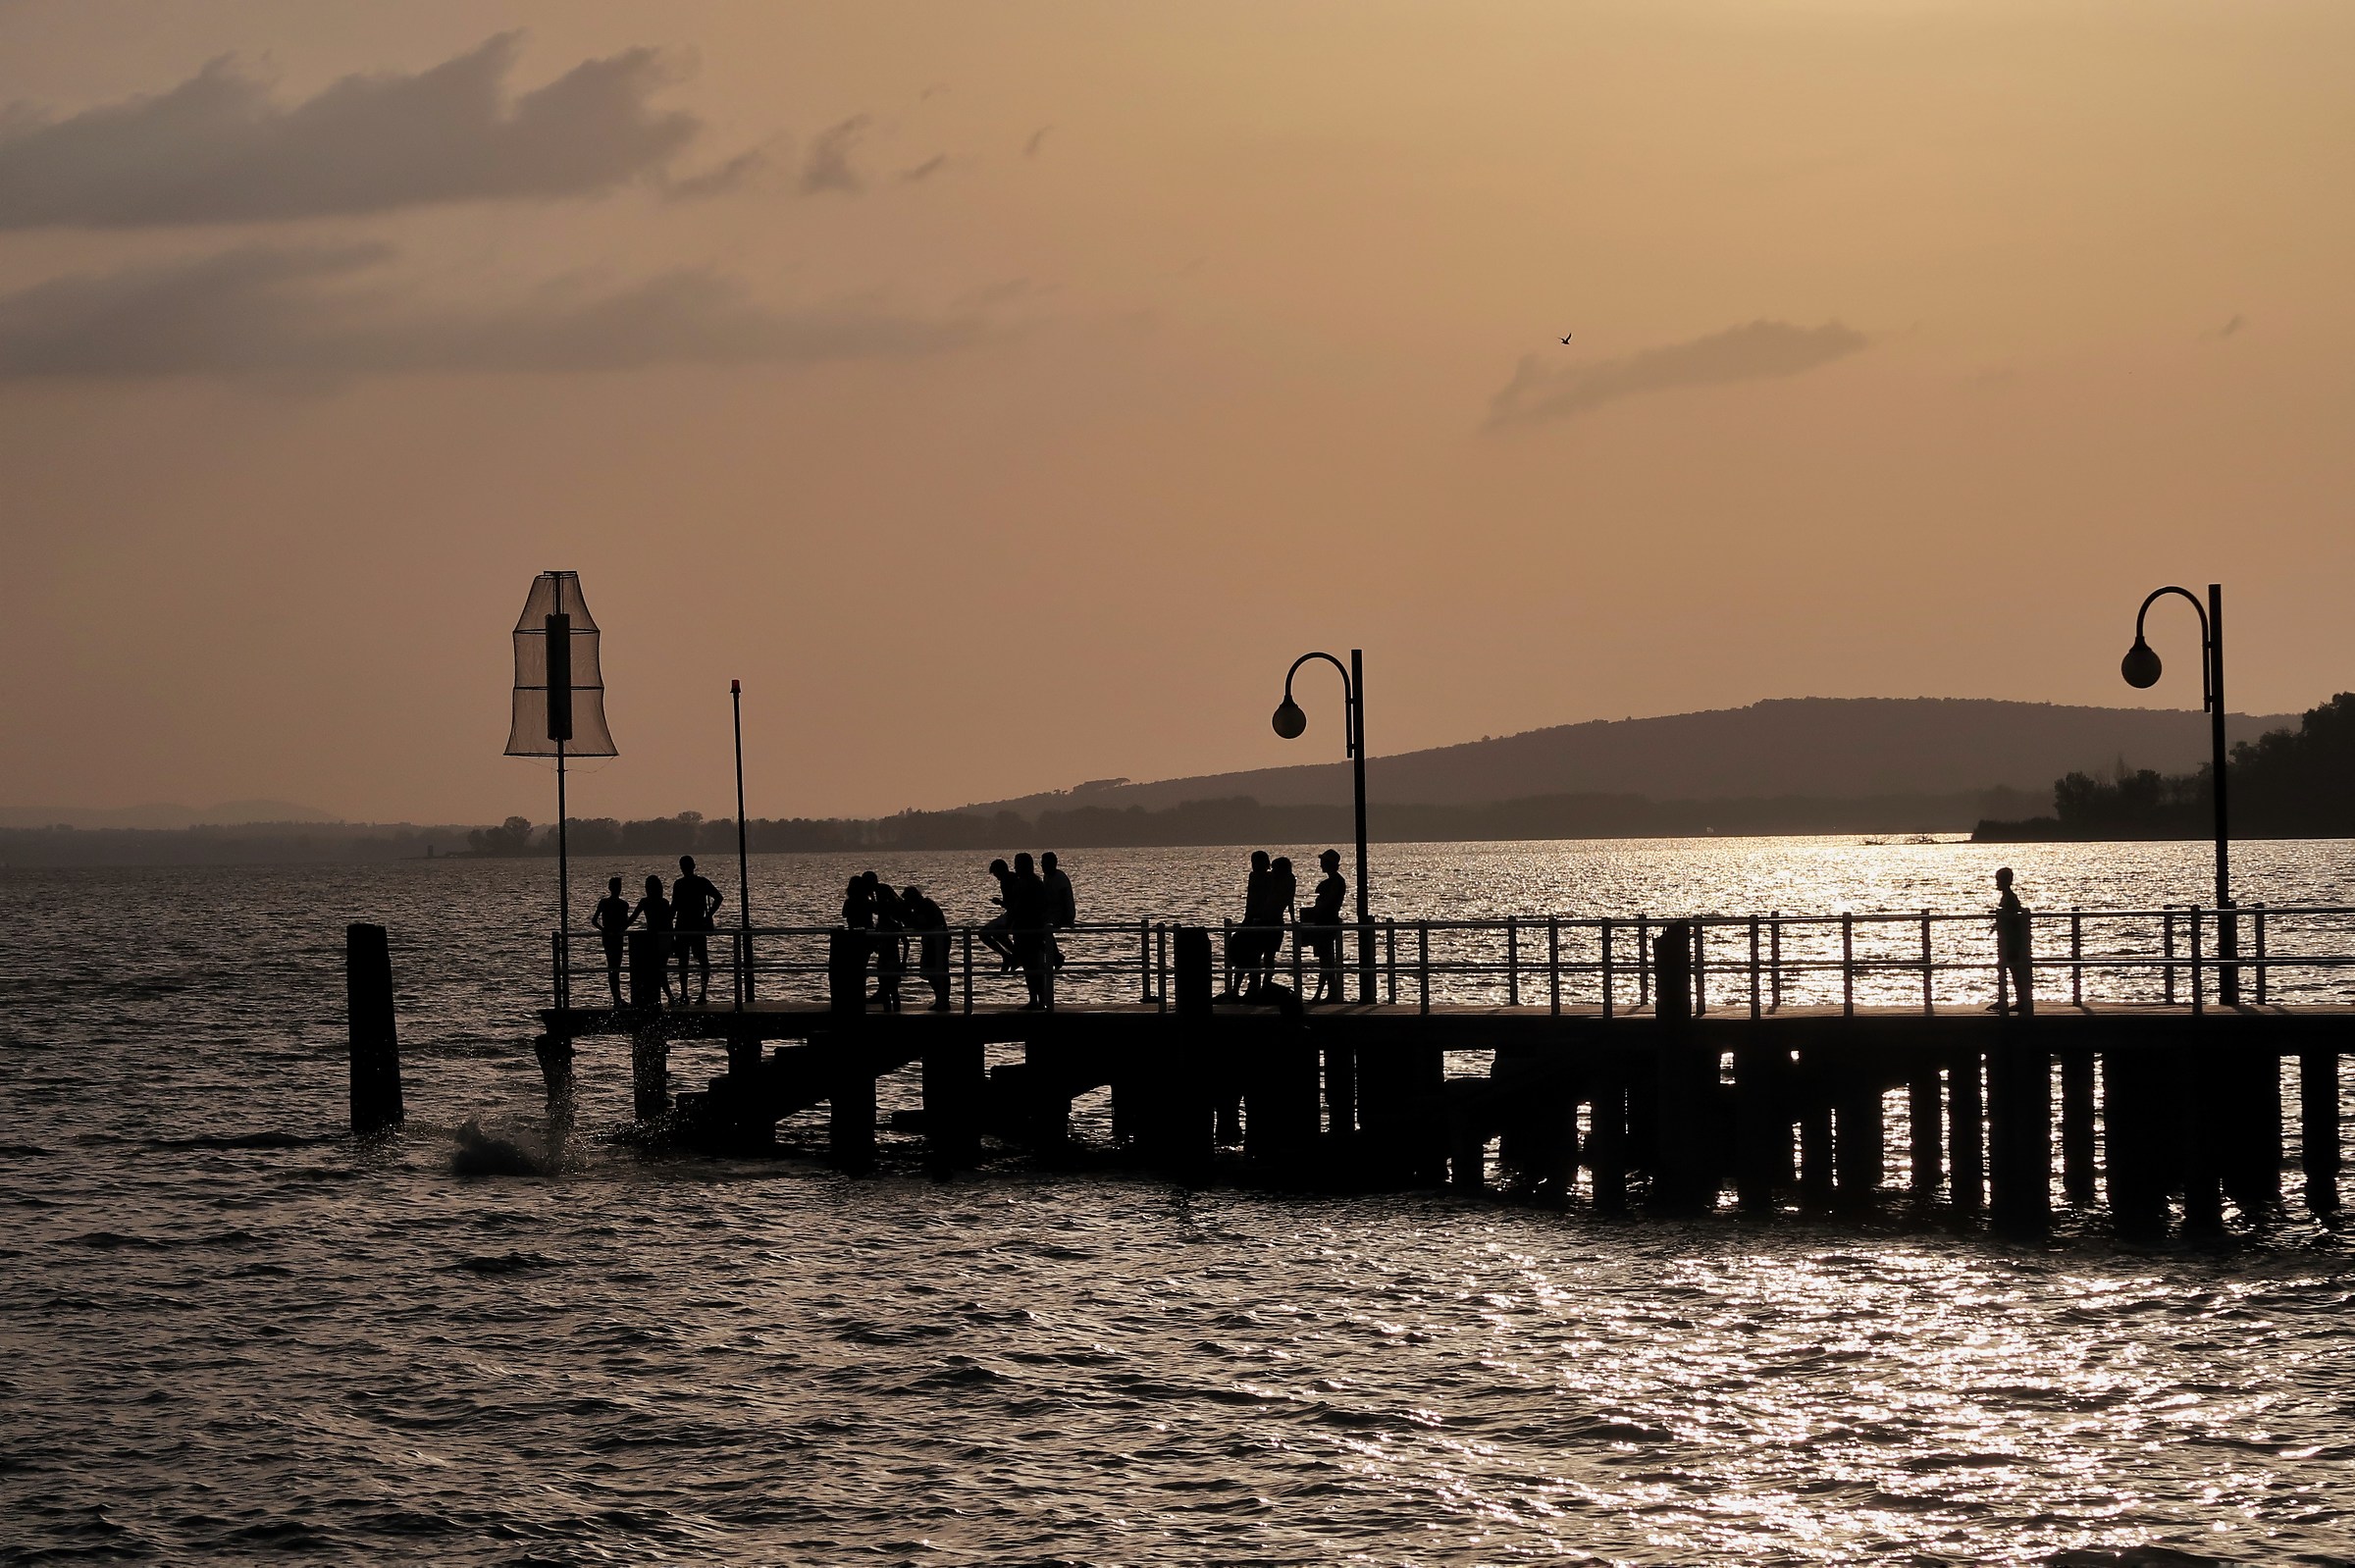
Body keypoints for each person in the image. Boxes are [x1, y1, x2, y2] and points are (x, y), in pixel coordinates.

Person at [671, 855, 723, 1006]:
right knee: (702, 961)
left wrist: (667, 926)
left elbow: (674, 908)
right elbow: (718, 898)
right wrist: (708, 915)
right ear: (694, 866)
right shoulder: (702, 882)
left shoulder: (679, 884)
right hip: (697, 925)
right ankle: (701, 993)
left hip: (682, 926)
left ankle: (685, 994)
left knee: (684, 962)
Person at [1223, 851, 1275, 1000]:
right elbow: (1251, 900)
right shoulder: (1253, 876)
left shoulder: (1269, 878)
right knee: (1241, 955)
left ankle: (1253, 989)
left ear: (1266, 864)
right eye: (1253, 863)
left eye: (1258, 863)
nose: (1255, 866)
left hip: (1261, 920)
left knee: (1254, 956)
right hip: (1250, 918)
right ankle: (1237, 989)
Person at [1007, 852, 1053, 1010]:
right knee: (1029, 966)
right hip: (1022, 930)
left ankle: (1040, 1000)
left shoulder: (1033, 884)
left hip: (1031, 930)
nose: (1015, 868)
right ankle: (1035, 999)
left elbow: (1038, 907)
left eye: (1018, 864)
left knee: (1034, 965)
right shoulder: (1027, 883)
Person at [1301, 850, 1347, 1003]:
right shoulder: (1333, 882)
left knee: (1326, 961)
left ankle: (1323, 994)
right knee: (1326, 961)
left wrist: (1319, 907)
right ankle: (1330, 993)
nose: (1321, 864)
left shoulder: (1335, 882)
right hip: (1324, 921)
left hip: (1327, 922)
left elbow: (1328, 903)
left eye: (1324, 862)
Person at [1992, 866, 2034, 1016]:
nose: (1996, 883)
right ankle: (2011, 998)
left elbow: (2013, 915)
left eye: (1998, 880)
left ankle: (2020, 1000)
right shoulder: (2008, 897)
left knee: (2014, 969)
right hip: (2009, 940)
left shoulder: (2009, 897)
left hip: (2012, 941)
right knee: (2009, 969)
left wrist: (2002, 917)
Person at [903, 884, 953, 1011]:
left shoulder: (923, 906)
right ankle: (942, 1000)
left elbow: (923, 924)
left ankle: (942, 1001)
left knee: (933, 969)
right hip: (938, 939)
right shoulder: (926, 904)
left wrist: (909, 919)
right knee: (938, 970)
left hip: (935, 940)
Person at [631, 873, 676, 1006]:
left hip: (651, 939)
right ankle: (668, 997)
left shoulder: (645, 902)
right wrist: (672, 940)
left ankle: (665, 997)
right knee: (660, 970)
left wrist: (621, 928)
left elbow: (633, 918)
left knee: (656, 971)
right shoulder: (663, 902)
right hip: (663, 938)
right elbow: (669, 923)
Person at [592, 875, 633, 1006]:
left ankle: (617, 997)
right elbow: (626, 923)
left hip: (610, 936)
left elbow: (594, 921)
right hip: (615, 937)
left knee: (613, 967)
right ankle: (617, 997)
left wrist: (604, 930)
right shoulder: (622, 904)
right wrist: (608, 930)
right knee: (615, 967)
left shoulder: (606, 903)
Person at [868, 871, 907, 1011]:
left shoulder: (880, 891)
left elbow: (878, 908)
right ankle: (891, 1009)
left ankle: (891, 1010)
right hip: (888, 956)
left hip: (890, 956)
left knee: (891, 988)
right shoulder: (881, 889)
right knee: (890, 988)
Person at [979, 859, 1018, 968]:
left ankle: (1009, 955)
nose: (996, 877)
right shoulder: (1012, 878)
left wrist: (1000, 902)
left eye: (996, 873)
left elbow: (1011, 905)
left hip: (1012, 915)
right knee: (996, 933)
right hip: (1012, 914)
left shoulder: (1006, 881)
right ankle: (1012, 955)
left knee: (984, 933)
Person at [1042, 852, 1075, 971]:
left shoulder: (1059, 878)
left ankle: (1056, 956)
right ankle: (1055, 955)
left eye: (1045, 864)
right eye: (1042, 864)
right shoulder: (1046, 877)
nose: (1043, 867)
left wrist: (1067, 918)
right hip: (1052, 912)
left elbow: (1064, 899)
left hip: (1062, 913)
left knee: (1042, 929)